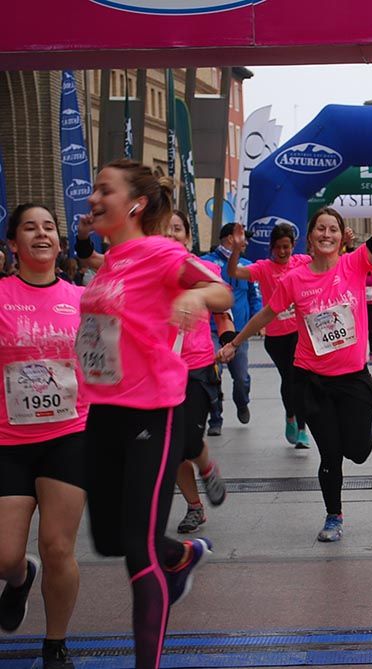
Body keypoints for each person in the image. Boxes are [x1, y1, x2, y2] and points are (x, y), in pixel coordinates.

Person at [74, 160, 232, 669]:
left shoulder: (163, 253)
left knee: (139, 554)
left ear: (135, 205)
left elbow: (220, 290)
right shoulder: (113, 260)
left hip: (152, 412)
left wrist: (192, 293)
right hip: (102, 413)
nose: (93, 197)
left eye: (105, 190)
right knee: (108, 539)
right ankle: (181, 556)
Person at [218, 158, 372, 542]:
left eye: (333, 229)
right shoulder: (294, 278)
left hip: (351, 379)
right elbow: (267, 313)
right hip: (310, 379)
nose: (326, 234)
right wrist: (235, 342)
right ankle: (333, 516)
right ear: (309, 239)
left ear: (342, 237)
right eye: (320, 229)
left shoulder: (356, 263)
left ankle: (369, 426)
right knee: (329, 454)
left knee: (357, 451)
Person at [0, 204, 88, 669]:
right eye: (29, 227)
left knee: (58, 546)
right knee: (5, 554)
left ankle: (55, 645)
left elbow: (105, 364)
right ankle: (18, 581)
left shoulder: (81, 299)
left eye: (49, 227)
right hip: (8, 441)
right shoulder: (0, 296)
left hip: (68, 436)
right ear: (13, 243)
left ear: (59, 242)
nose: (41, 233)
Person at [165, 212, 231, 534]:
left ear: (188, 238)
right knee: (172, 444)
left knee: (187, 437)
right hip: (159, 372)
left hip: (197, 367)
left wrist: (229, 340)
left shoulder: (207, 271)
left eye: (176, 229)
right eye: (163, 230)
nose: (170, 234)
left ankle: (206, 466)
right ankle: (194, 506)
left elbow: (223, 310)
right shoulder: (146, 274)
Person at [224, 222, 312, 447]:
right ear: (271, 248)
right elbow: (233, 272)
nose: (282, 252)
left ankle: (302, 428)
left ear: (293, 246)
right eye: (278, 248)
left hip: (300, 333)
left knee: (299, 379)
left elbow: (328, 265)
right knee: (289, 378)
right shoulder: (263, 268)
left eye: (286, 247)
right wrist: (236, 250)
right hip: (275, 337)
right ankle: (290, 416)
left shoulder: (302, 263)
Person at [201, 222, 262, 435]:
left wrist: (257, 318)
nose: (246, 242)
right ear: (229, 238)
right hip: (211, 329)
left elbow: (255, 296)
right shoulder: (206, 263)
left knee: (242, 377)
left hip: (239, 332)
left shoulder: (246, 265)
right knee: (213, 375)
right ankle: (215, 419)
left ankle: (242, 401)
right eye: (243, 238)